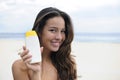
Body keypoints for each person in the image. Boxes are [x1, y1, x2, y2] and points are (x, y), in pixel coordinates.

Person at [12, 7, 77, 80]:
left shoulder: (68, 64)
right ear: (39, 31)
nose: (59, 37)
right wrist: (36, 73)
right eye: (53, 30)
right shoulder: (20, 67)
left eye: (62, 31)